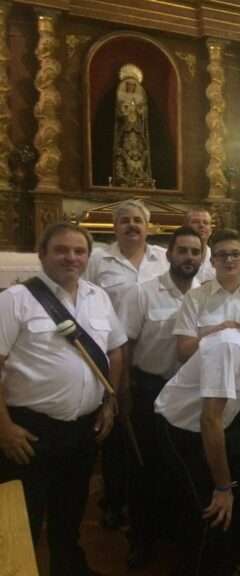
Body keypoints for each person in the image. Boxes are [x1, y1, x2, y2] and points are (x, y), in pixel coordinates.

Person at [0, 222, 126, 575]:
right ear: (42, 254)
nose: (71, 258)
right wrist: (4, 427)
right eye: (61, 250)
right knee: (22, 518)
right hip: (29, 430)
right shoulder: (15, 300)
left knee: (69, 511)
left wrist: (109, 402)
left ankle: (67, 568)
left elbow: (115, 351)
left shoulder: (97, 297)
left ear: (88, 256)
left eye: (79, 251)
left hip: (82, 428)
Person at [155, 277, 240, 576]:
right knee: (210, 508)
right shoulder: (227, 345)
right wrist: (222, 486)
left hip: (217, 427)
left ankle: (224, 565)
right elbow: (210, 419)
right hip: (179, 429)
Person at [117, 226, 203, 569]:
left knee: (182, 468)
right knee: (146, 469)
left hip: (192, 393)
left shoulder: (206, 294)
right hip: (151, 388)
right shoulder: (143, 293)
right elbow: (125, 344)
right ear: (168, 254)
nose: (188, 258)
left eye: (195, 252)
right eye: (182, 251)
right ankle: (142, 540)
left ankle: (175, 537)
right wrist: (122, 391)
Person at [87, 198, 166, 528]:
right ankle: (114, 500)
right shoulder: (98, 259)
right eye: (125, 221)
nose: (132, 225)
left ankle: (147, 499)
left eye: (138, 220)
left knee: (148, 432)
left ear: (148, 227)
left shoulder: (163, 258)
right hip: (111, 356)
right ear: (115, 227)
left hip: (151, 356)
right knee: (115, 432)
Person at [174, 228, 240, 362]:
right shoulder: (194, 297)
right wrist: (218, 332)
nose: (229, 260)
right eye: (222, 255)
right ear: (212, 261)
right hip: (201, 379)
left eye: (235, 254)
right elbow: (183, 352)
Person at [112, 63, 152, 188]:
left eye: (133, 86)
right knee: (123, 151)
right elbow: (119, 113)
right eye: (128, 85)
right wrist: (126, 108)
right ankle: (122, 176)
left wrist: (139, 109)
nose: (130, 87)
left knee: (139, 152)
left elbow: (143, 114)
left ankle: (141, 177)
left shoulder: (140, 97)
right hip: (125, 130)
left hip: (138, 129)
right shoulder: (121, 96)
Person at [185, 207, 215, 283]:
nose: (201, 225)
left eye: (206, 223)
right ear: (185, 227)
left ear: (210, 230)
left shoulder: (218, 257)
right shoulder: (173, 257)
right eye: (195, 222)